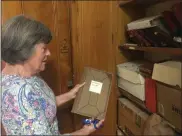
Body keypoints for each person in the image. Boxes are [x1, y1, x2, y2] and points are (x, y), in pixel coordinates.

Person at [1, 15, 104, 135]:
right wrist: (85, 131)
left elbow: (41, 105)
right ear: (25, 50)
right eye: (44, 49)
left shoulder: (29, 73)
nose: (49, 53)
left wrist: (70, 95)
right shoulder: (19, 93)